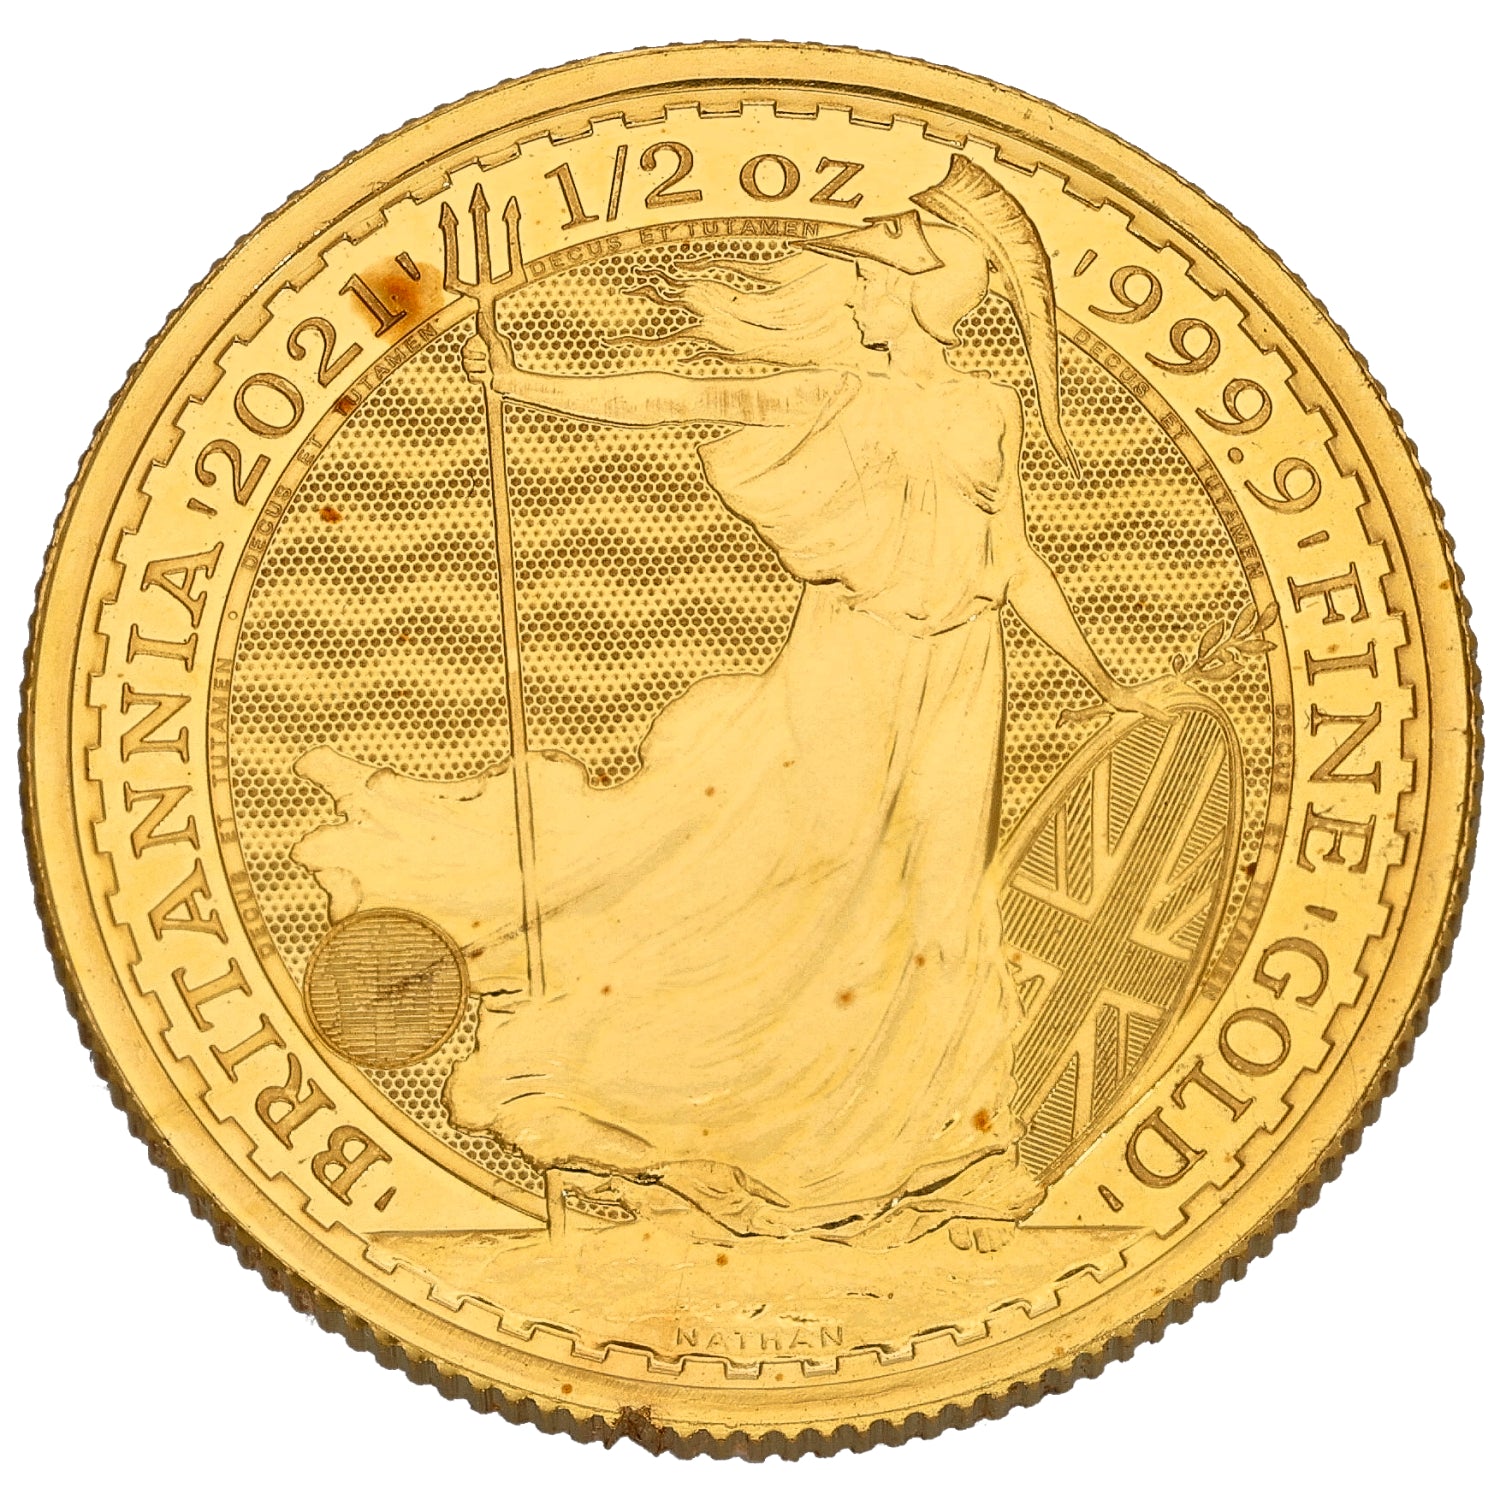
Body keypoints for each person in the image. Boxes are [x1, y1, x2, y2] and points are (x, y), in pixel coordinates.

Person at [293, 156, 1156, 1249]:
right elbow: (673, 397)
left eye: (883, 276)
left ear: (934, 287)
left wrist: (1106, 681)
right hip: (851, 664)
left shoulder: (988, 405)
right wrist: (525, 383)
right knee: (826, 897)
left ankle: (944, 1144)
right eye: (863, 277)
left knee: (943, 905)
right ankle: (769, 1128)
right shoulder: (833, 391)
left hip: (963, 673)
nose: (864, 293)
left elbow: (1016, 557)